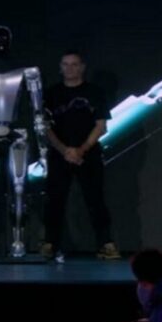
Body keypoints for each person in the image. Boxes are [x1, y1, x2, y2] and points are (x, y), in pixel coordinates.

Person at [42, 50, 120, 260]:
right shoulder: (50, 94)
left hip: (89, 154)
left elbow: (101, 126)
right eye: (65, 64)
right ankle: (50, 243)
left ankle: (106, 243)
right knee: (55, 200)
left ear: (82, 67)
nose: (70, 68)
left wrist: (81, 149)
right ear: (60, 68)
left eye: (74, 64)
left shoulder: (95, 92)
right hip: (59, 155)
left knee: (95, 199)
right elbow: (45, 127)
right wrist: (64, 150)